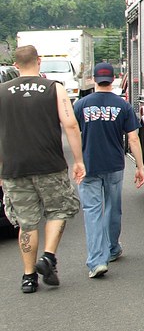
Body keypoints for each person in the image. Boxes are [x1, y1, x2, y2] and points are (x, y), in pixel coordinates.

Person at [0, 45, 86, 293]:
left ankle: (28, 278)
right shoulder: (54, 89)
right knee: (58, 211)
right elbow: (70, 125)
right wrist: (78, 160)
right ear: (39, 61)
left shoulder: (2, 92)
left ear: (15, 65)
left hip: (15, 167)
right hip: (49, 164)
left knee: (26, 224)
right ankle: (48, 258)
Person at [73, 62, 144, 279]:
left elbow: (74, 135)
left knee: (92, 211)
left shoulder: (80, 105)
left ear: (94, 80)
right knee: (113, 208)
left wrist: (77, 162)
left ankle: (97, 261)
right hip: (114, 165)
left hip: (89, 165)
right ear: (113, 80)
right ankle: (112, 248)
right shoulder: (123, 106)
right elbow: (133, 138)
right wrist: (140, 167)